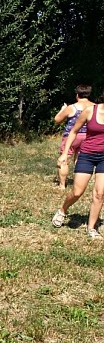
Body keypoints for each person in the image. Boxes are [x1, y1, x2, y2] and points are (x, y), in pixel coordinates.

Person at [51, 98, 104, 239]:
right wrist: (64, 153)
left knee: (99, 194)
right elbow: (73, 131)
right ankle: (63, 210)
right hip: (87, 155)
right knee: (77, 192)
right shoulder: (90, 111)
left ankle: (91, 228)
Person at [54, 85, 93, 190]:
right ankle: (80, 183)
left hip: (71, 136)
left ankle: (62, 185)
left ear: (77, 95)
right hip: (88, 136)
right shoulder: (94, 107)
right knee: (80, 160)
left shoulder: (72, 107)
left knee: (64, 159)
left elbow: (57, 120)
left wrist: (62, 109)